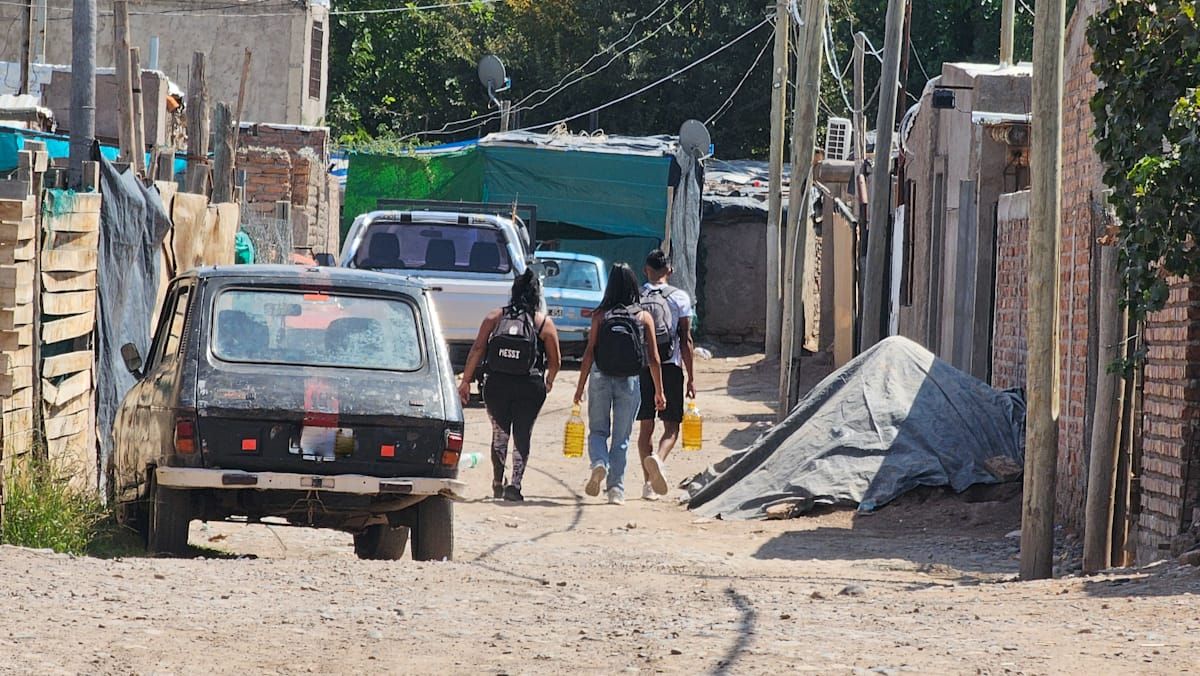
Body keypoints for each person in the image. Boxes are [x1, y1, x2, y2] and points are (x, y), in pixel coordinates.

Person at [459, 269, 561, 501]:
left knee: (500, 433)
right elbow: (555, 361)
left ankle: (497, 481)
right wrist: (549, 381)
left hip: (496, 385)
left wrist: (465, 380)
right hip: (530, 386)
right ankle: (515, 486)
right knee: (523, 433)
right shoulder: (543, 323)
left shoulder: (495, 317)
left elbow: (477, 349)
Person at [573, 263, 665, 505]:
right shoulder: (643, 317)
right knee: (621, 438)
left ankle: (599, 463)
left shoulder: (600, 315)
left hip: (600, 377)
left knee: (598, 431)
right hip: (630, 381)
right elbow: (654, 358)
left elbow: (589, 353)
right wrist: (659, 391)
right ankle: (616, 490)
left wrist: (580, 387)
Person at [636, 249, 695, 500]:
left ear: (645, 270)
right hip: (670, 365)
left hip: (642, 366)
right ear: (669, 271)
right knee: (671, 427)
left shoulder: (637, 295)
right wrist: (691, 377)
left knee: (645, 427)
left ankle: (648, 485)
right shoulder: (680, 298)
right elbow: (686, 339)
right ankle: (658, 459)